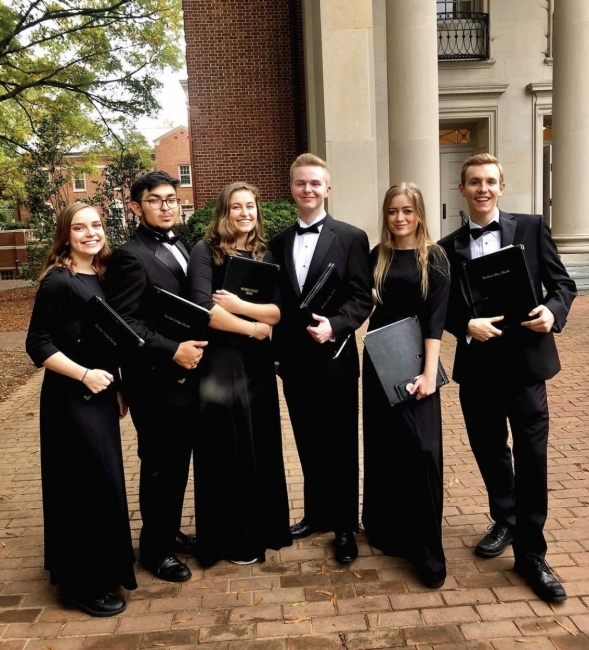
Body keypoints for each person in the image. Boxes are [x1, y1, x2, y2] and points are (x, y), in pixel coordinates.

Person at [438, 153, 577, 602]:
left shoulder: (533, 228)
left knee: (532, 457)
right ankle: (506, 517)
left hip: (526, 365)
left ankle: (532, 555)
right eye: (474, 181)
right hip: (478, 368)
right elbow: (442, 307)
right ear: (462, 189)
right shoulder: (446, 246)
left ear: (501, 186)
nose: (482, 188)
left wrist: (551, 313)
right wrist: (464, 326)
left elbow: (562, 285)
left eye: (490, 181)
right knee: (489, 450)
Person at [26, 203, 137, 617]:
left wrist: (118, 386)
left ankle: (102, 573)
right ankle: (78, 586)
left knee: (103, 483)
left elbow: (109, 338)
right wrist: (85, 374)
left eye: (96, 225)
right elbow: (37, 344)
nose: (90, 233)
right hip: (70, 399)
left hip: (102, 394)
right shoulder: (59, 281)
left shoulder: (102, 276)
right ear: (65, 234)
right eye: (79, 227)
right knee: (82, 486)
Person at [105, 171, 207, 582]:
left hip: (187, 376)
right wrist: (172, 350)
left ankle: (169, 532)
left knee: (177, 460)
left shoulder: (182, 245)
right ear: (136, 208)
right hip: (153, 380)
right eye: (154, 200)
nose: (166, 206)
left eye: (171, 198)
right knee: (160, 464)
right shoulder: (130, 255)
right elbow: (123, 322)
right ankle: (155, 550)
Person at [271, 153, 372, 563]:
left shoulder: (351, 237)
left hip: (336, 357)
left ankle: (345, 524)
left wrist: (336, 324)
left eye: (315, 183)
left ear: (327, 189)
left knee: (340, 443)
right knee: (307, 440)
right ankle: (316, 513)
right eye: (301, 183)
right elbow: (276, 302)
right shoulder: (278, 242)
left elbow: (362, 297)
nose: (308, 190)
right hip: (294, 363)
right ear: (292, 189)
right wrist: (277, 355)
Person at [187, 181, 292, 565]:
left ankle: (264, 529)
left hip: (257, 366)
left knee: (259, 441)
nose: (244, 213)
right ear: (224, 212)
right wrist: (254, 326)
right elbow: (204, 310)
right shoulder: (205, 253)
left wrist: (238, 306)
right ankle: (234, 539)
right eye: (236, 206)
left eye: (250, 205)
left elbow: (279, 313)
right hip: (222, 362)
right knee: (227, 446)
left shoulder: (265, 255)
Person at [362, 183, 450, 588]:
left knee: (423, 450)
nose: (400, 218)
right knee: (386, 446)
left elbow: (435, 319)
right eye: (393, 211)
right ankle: (388, 533)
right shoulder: (375, 257)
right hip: (379, 359)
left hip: (416, 362)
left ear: (419, 213)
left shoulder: (435, 258)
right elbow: (356, 304)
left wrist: (430, 373)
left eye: (407, 211)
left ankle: (427, 550)